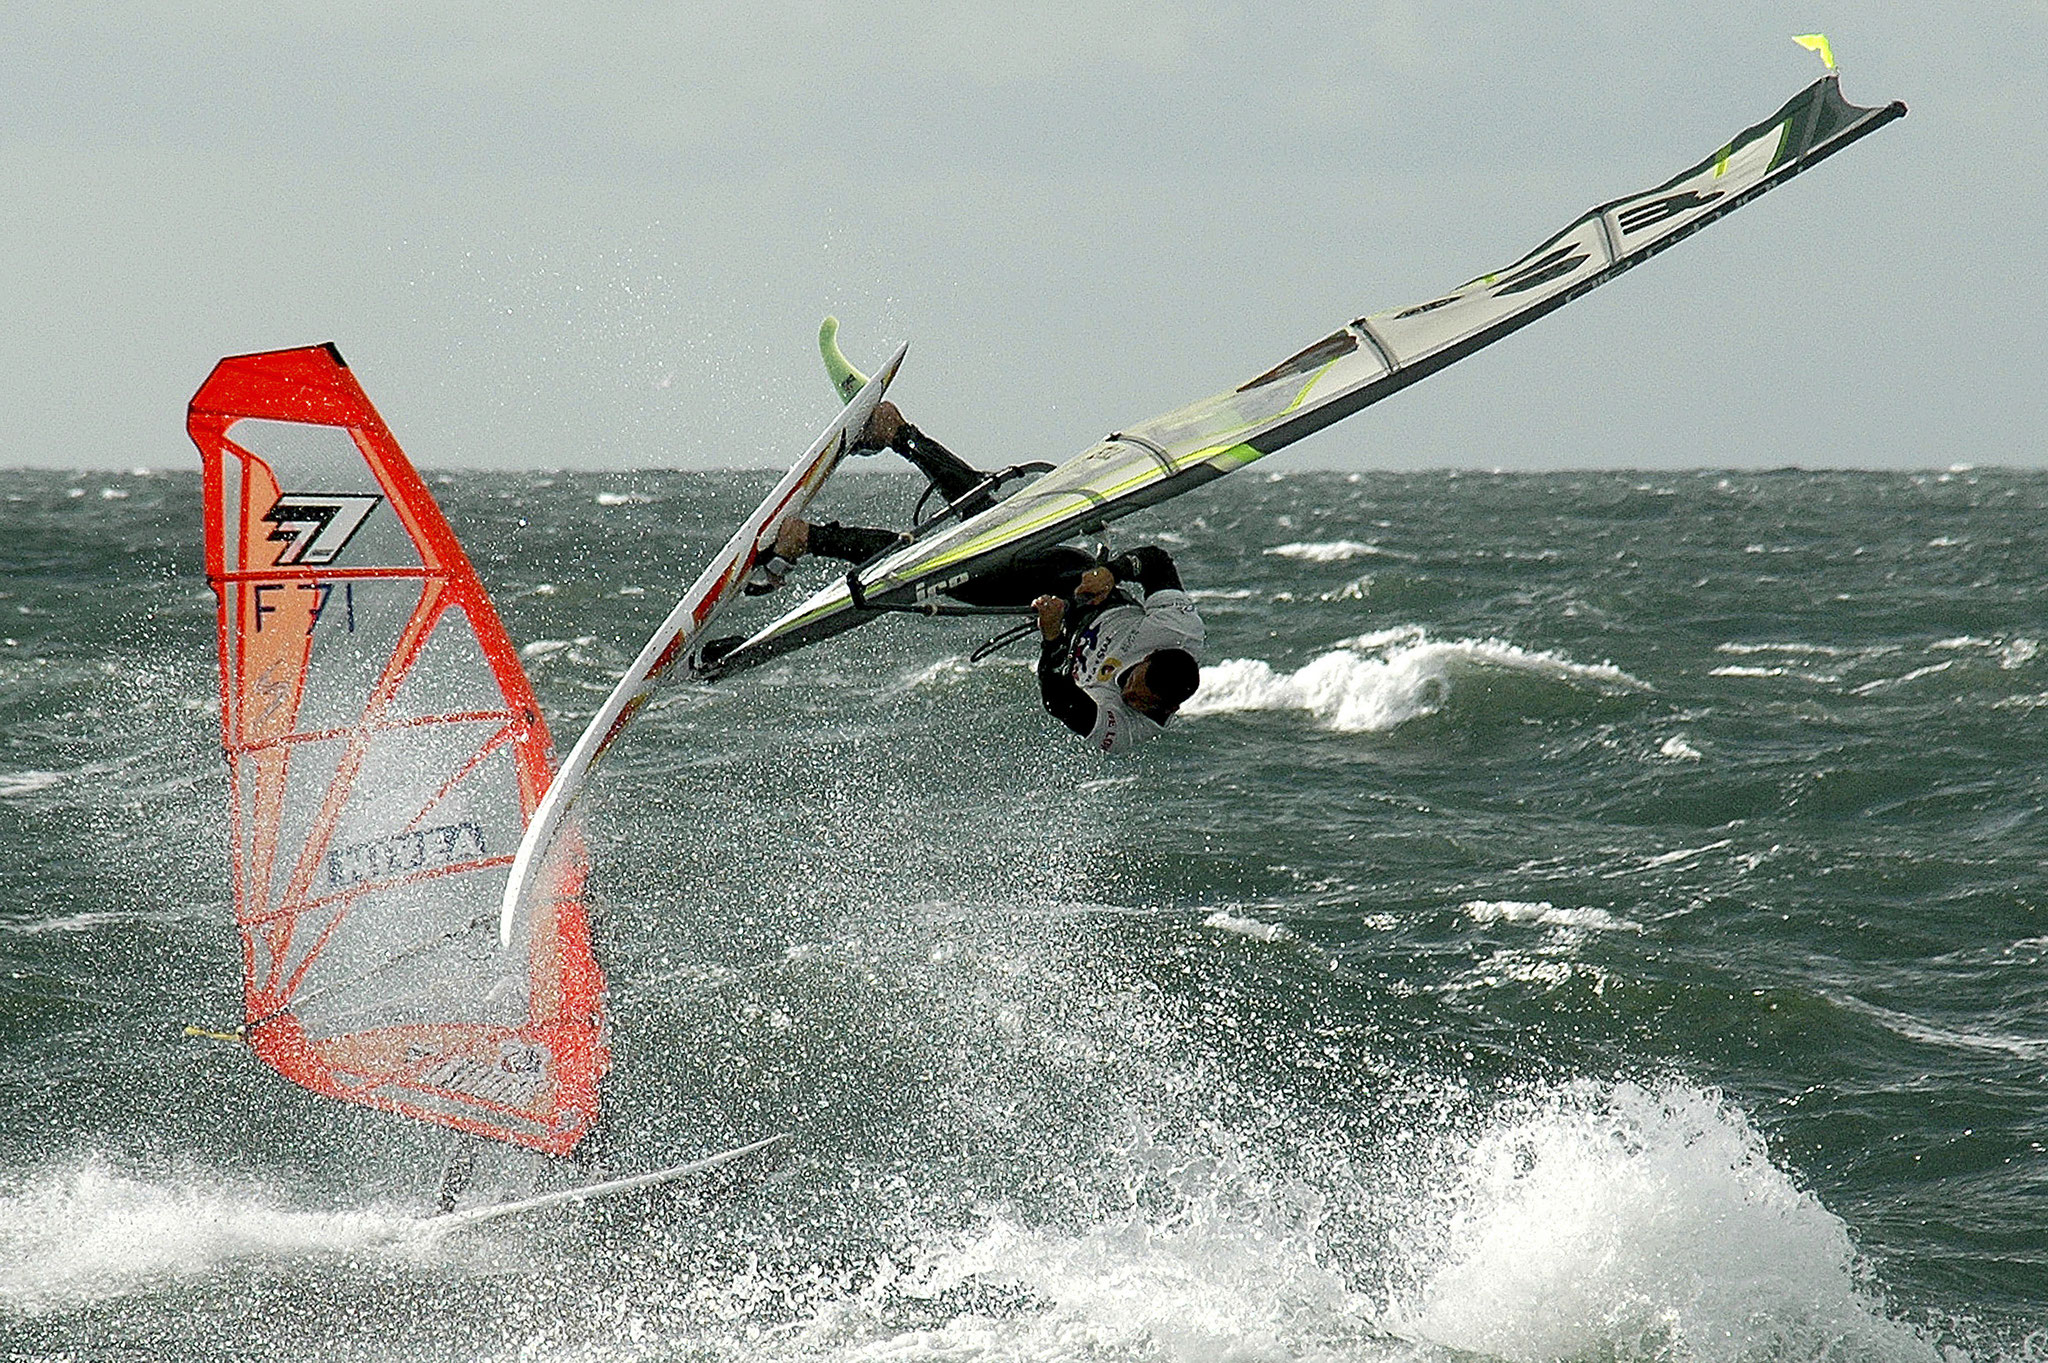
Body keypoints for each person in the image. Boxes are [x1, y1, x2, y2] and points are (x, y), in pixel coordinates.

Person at [762, 400, 1205, 750]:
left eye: (1147, 703)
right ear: (1147, 659)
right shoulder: (1179, 631)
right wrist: (1112, 572)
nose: (1134, 697)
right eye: (1140, 685)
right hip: (1079, 582)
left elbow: (1058, 699)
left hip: (1055, 619)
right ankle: (810, 536)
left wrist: (1052, 639)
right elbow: (1157, 561)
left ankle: (896, 434)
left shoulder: (1127, 729)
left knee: (983, 527)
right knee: (971, 554)